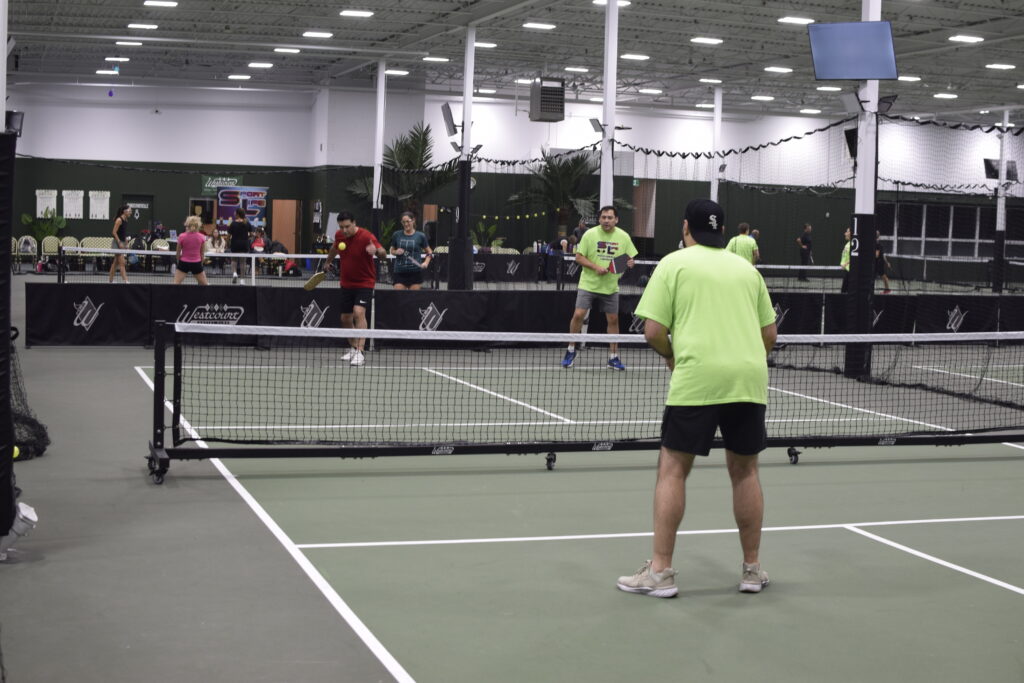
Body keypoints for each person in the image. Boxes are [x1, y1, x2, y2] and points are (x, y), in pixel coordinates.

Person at [616, 198, 777, 598]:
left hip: (697, 378)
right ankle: (752, 570)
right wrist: (742, 360)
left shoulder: (673, 264)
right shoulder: (748, 271)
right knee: (746, 472)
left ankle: (660, 573)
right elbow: (769, 336)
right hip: (748, 379)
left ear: (686, 227)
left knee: (672, 470)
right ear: (723, 231)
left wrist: (671, 357)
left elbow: (653, 331)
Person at [561, 205, 637, 370]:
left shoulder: (624, 237)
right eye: (603, 217)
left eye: (610, 217)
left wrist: (630, 262)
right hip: (588, 284)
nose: (606, 220)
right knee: (578, 315)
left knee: (613, 320)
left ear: (616, 220)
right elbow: (578, 257)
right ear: (599, 219)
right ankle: (571, 349)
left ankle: (613, 357)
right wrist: (595, 267)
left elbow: (629, 259)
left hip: (610, 286)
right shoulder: (590, 234)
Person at [322, 212, 387, 366]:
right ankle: (353, 347)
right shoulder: (339, 235)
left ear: (354, 223)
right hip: (346, 283)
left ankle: (360, 351)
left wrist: (376, 251)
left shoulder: (366, 236)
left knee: (358, 312)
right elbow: (334, 248)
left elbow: (383, 253)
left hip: (365, 282)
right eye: (341, 227)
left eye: (347, 226)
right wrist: (327, 262)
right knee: (345, 319)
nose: (344, 230)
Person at [390, 211, 433, 290]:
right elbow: (391, 251)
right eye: (403, 222)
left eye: (408, 221)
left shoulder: (420, 236)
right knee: (399, 296)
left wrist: (426, 263)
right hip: (399, 272)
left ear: (413, 220)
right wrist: (396, 252)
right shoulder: (396, 235)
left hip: (415, 272)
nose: (406, 224)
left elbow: (429, 251)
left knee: (413, 296)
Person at [173, 215, 209, 285]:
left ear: (187, 225)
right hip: (197, 263)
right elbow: (202, 254)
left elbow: (178, 253)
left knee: (176, 284)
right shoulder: (202, 237)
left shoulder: (181, 236)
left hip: (183, 263)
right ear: (198, 225)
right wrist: (200, 264)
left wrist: (178, 261)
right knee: (205, 285)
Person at [228, 207, 252, 284]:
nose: (234, 213)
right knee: (243, 262)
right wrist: (246, 238)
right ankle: (242, 280)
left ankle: (234, 273)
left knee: (234, 260)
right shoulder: (247, 223)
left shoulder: (233, 224)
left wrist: (228, 242)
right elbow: (251, 234)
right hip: (244, 244)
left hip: (235, 244)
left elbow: (228, 235)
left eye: (235, 212)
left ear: (237, 214)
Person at [108, 204, 131, 283]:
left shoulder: (126, 220)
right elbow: (114, 232)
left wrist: (126, 243)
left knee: (115, 263)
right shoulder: (119, 220)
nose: (131, 212)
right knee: (122, 262)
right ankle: (126, 280)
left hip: (121, 243)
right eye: (129, 211)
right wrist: (119, 242)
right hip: (116, 243)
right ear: (124, 211)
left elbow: (123, 234)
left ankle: (110, 280)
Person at [875, 230, 892, 294]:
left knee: (883, 276)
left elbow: (876, 255)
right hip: (879, 262)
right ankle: (887, 289)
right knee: (883, 276)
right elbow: (883, 255)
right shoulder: (878, 244)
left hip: (878, 262)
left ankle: (887, 289)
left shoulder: (877, 244)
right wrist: (887, 262)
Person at [840, 227, 852, 293]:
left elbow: (854, 258)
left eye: (847, 232)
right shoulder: (848, 244)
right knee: (844, 291)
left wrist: (846, 263)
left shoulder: (853, 244)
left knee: (844, 291)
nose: (845, 234)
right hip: (846, 271)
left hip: (850, 272)